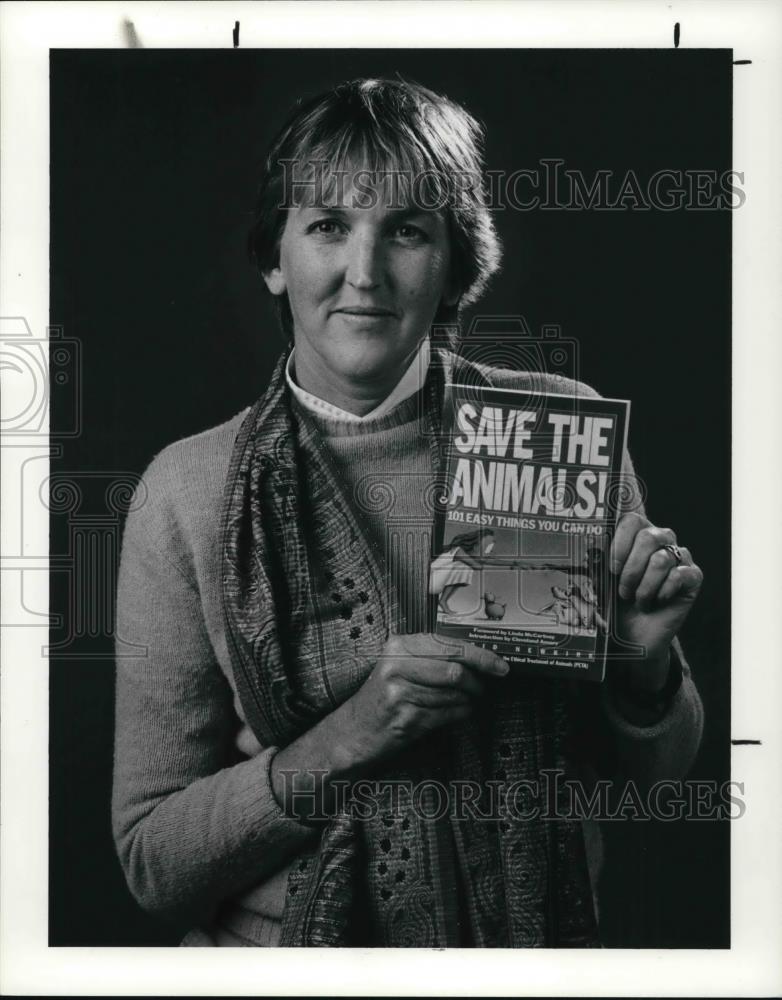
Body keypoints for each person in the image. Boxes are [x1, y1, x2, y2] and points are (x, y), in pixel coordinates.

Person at [112, 78, 704, 948]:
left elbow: (650, 781)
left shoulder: (553, 434)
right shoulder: (184, 490)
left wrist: (642, 667)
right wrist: (341, 742)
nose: (365, 272)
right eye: (328, 225)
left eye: (407, 230)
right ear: (275, 259)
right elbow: (152, 862)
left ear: (456, 265)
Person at [428, 529, 496, 614]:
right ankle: (443, 601)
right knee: (463, 567)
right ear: (476, 544)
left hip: (433, 582)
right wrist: (484, 557)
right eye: (487, 545)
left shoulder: (462, 552)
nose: (488, 548)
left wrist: (511, 564)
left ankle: (443, 601)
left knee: (463, 566)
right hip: (429, 583)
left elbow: (486, 561)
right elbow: (477, 566)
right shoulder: (458, 551)